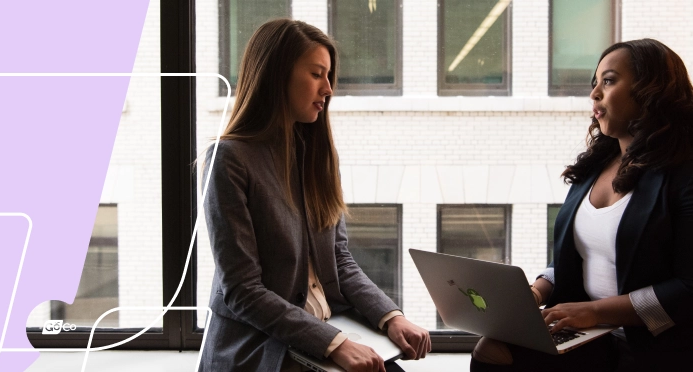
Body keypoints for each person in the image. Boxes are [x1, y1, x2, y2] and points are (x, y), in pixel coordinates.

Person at [198, 18, 431, 371]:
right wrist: (333, 344)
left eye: (329, 75)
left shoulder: (316, 158)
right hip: (262, 343)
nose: (328, 89)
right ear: (277, 75)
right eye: (316, 74)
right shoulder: (228, 160)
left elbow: (339, 261)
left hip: (326, 327)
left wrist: (390, 316)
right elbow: (242, 291)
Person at [471, 38, 693, 371]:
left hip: (656, 347)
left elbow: (689, 288)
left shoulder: (684, 173)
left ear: (651, 90)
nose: (595, 94)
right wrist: (533, 294)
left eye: (609, 80)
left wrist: (595, 311)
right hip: (593, 337)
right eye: (594, 84)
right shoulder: (594, 168)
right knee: (491, 352)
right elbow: (575, 258)